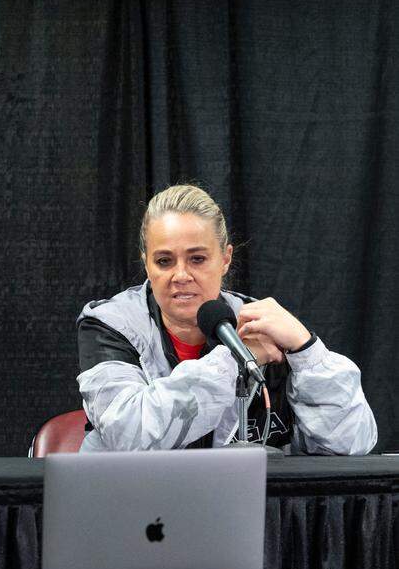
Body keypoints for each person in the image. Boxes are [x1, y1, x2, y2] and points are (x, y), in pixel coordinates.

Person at [76, 184, 376, 454]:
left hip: (244, 509)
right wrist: (236, 358)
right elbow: (127, 433)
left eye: (197, 259)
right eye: (164, 261)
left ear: (225, 259)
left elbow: (352, 444)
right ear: (147, 265)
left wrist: (306, 350)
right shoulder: (109, 324)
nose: (181, 275)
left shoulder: (263, 324)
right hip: (135, 504)